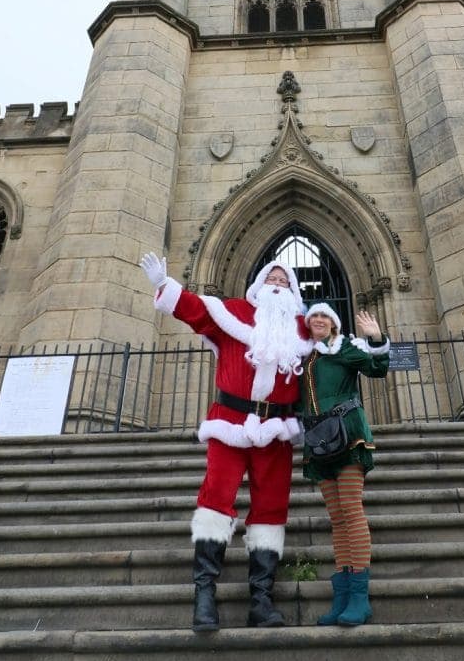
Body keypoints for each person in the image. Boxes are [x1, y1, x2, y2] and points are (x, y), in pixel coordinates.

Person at [140, 252, 312, 632]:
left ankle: (261, 599)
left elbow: (334, 348)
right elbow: (197, 309)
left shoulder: (301, 329)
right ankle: (204, 594)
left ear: (294, 291)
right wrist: (164, 285)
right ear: (259, 285)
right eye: (273, 279)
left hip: (277, 430)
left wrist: (376, 344)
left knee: (271, 509)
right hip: (230, 423)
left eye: (285, 282)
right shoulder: (232, 312)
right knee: (216, 500)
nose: (279, 285)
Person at [299, 302, 391, 627]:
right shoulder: (306, 358)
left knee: (351, 510)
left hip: (348, 435)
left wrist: (376, 339)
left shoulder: (344, 347)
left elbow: (376, 369)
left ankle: (358, 598)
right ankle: (341, 595)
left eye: (325, 315)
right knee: (337, 519)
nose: (319, 320)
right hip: (319, 442)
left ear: (334, 323)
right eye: (314, 317)